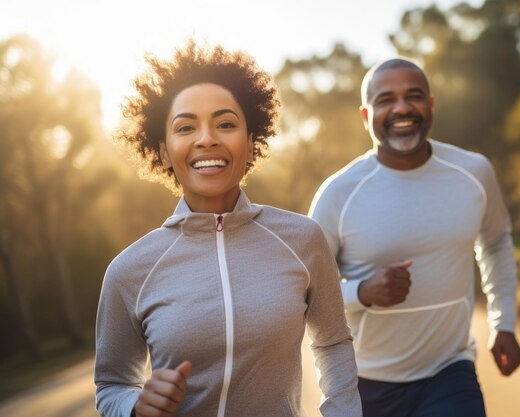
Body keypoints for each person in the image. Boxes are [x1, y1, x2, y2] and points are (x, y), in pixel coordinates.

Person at [94, 39, 361, 417]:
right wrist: (134, 406)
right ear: (164, 151)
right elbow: (112, 385)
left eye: (225, 123)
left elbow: (333, 342)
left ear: (251, 144)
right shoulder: (129, 270)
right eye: (186, 127)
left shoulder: (302, 240)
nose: (207, 138)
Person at [308, 57, 520, 417]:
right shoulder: (338, 194)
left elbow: (496, 242)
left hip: (450, 372)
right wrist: (363, 291)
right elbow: (306, 292)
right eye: (385, 99)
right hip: (364, 383)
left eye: (414, 95)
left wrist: (504, 322)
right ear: (366, 116)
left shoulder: (473, 172)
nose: (402, 107)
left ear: (430, 105)